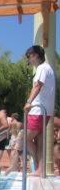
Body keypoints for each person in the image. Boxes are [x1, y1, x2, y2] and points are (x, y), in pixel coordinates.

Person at [24, 45, 56, 177]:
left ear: (37, 55)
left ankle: (38, 166)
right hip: (45, 110)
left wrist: (28, 102)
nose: (29, 60)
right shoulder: (47, 68)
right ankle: (40, 169)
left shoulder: (42, 68)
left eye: (30, 56)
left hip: (37, 110)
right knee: (39, 141)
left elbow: (38, 85)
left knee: (23, 139)